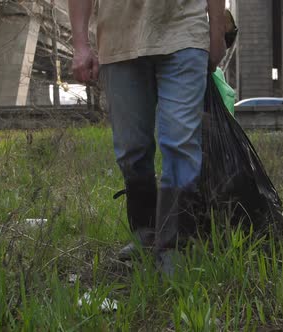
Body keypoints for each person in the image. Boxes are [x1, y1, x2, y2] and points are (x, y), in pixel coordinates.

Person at [68, 0, 226, 274]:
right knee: (132, 149)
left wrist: (217, 32)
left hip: (184, 29)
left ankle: (175, 244)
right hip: (119, 39)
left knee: (180, 142)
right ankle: (146, 232)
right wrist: (80, 44)